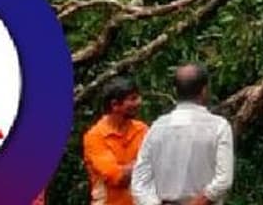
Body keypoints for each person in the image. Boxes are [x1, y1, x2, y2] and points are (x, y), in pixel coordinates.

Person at [132, 63, 234, 205]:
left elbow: (139, 182)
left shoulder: (157, 127)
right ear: (204, 90)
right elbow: (223, 180)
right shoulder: (218, 127)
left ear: (175, 90)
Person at [82, 77, 149, 205]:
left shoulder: (142, 129)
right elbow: (117, 178)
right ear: (115, 105)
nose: (139, 102)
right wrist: (147, 163)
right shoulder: (95, 137)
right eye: (133, 99)